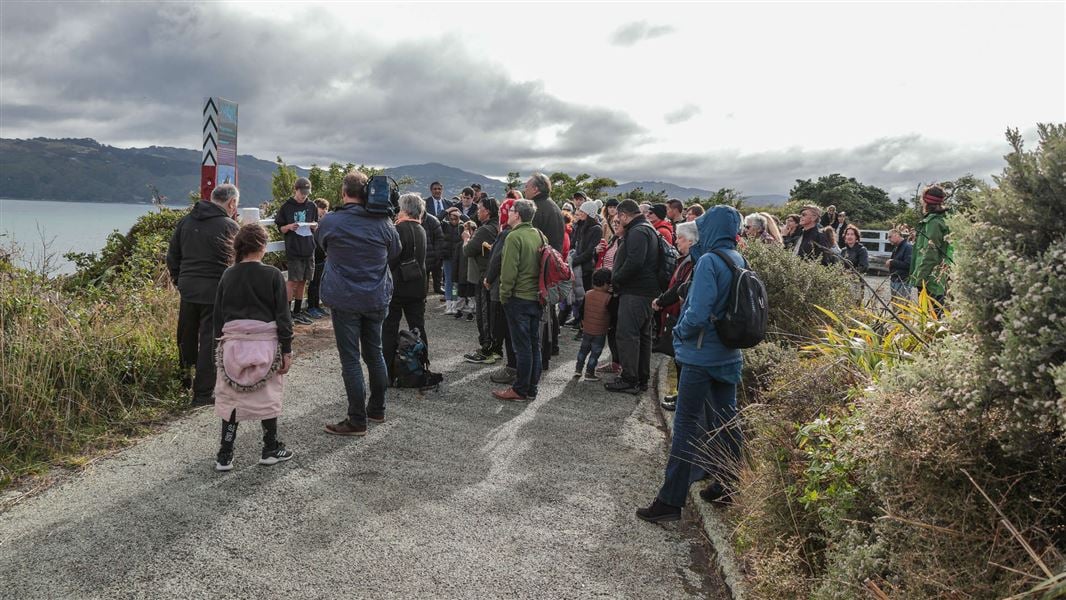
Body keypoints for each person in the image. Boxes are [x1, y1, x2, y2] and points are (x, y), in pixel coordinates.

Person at [637, 206, 745, 523]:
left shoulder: (710, 261)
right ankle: (726, 482)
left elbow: (696, 313)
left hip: (701, 355)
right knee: (728, 421)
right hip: (728, 353)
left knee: (685, 428)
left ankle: (670, 501)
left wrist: (680, 333)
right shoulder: (738, 258)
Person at [318, 170, 401, 437]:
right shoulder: (385, 223)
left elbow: (321, 244)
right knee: (374, 353)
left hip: (345, 299)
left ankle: (357, 420)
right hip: (376, 297)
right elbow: (395, 252)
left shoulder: (332, 221)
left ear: (343, 192)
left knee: (351, 359)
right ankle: (377, 409)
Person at [211, 223, 294, 471]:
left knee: (232, 399)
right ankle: (270, 447)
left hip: (233, 344)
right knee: (266, 395)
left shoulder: (228, 275)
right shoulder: (273, 275)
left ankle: (225, 454)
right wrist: (287, 349)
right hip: (265, 345)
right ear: (262, 246)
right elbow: (283, 316)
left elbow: (218, 316)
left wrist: (219, 346)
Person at [165, 183, 241, 407]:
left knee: (186, 335)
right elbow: (238, 263)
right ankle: (202, 393)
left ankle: (183, 381)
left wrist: (179, 280)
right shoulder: (229, 226)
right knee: (210, 341)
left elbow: (173, 255)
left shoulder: (186, 221)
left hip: (188, 287)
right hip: (215, 291)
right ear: (231, 203)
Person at [605, 199, 660, 395]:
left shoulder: (638, 231)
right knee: (642, 337)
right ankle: (640, 377)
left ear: (624, 215)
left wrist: (616, 279)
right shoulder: (647, 228)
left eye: (619, 217)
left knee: (628, 335)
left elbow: (634, 262)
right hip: (644, 292)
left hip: (636, 292)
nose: (618, 220)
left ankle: (630, 378)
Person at [493, 199, 543, 401]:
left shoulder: (514, 237)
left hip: (518, 298)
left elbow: (508, 272)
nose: (509, 212)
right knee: (533, 345)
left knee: (521, 347)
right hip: (536, 297)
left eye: (512, 210)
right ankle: (531, 388)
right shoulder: (540, 235)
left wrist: (504, 296)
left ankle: (520, 389)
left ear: (518, 215)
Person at [382, 193, 429, 383]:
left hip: (398, 287)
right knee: (418, 326)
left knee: (389, 328)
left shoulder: (398, 229)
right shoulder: (421, 229)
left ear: (405, 209)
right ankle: (421, 364)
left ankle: (386, 371)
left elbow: (390, 259)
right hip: (418, 285)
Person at [653, 221, 698, 411]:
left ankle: (682, 398)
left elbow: (680, 288)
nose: (677, 241)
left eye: (680, 238)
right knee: (679, 358)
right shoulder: (686, 259)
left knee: (682, 358)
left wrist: (660, 301)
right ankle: (680, 394)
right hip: (676, 311)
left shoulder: (693, 262)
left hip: (681, 312)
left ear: (691, 241)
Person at [274, 177, 320, 325]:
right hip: (294, 248)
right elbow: (280, 227)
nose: (304, 196)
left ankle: (298, 312)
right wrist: (288, 227)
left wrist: (313, 226)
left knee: (303, 281)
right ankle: (287, 314)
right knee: (292, 280)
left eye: (306, 193)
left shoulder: (311, 206)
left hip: (308, 246)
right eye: (302, 192)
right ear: (296, 190)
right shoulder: (287, 206)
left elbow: (315, 223)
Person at [463, 197, 501, 364]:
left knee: (484, 315)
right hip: (493, 275)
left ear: (488, 211)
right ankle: (494, 347)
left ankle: (487, 349)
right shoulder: (497, 227)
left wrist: (466, 238)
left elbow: (469, 250)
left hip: (484, 276)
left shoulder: (485, 230)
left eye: (480, 208)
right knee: (493, 315)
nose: (477, 211)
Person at [910, 185, 952, 310]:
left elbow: (930, 254)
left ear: (925, 201)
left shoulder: (933, 223)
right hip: (938, 279)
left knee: (930, 317)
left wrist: (919, 279)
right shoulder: (942, 220)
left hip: (931, 281)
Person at [574, 268, 612, 381]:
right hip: (600, 331)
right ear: (606, 283)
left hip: (587, 329)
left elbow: (581, 311)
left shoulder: (588, 294)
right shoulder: (608, 298)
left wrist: (582, 322)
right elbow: (612, 313)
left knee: (583, 350)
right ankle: (589, 373)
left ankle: (578, 369)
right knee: (595, 353)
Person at [306, 198, 330, 319]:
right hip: (313, 256)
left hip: (322, 256)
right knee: (313, 283)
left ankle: (317, 305)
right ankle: (311, 307)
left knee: (319, 283)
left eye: (326, 209)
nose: (324, 211)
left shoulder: (324, 223)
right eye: (322, 208)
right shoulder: (312, 222)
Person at [440, 208, 463, 314]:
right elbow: (437, 219)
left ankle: (454, 304)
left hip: (458, 258)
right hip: (447, 257)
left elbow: (471, 222)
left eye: (456, 218)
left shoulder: (462, 227)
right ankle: (448, 304)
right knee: (448, 280)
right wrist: (447, 210)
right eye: (451, 218)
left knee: (455, 282)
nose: (453, 220)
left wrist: (461, 215)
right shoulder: (445, 226)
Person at [421, 206, 444, 297]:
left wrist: (437, 253)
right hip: (425, 253)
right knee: (424, 276)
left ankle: (437, 287)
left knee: (437, 271)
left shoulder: (432, 220)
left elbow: (439, 238)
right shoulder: (416, 218)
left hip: (432, 252)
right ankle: (423, 294)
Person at [886, 228, 913, 300]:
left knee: (902, 307)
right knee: (895, 307)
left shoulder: (908, 247)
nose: (888, 239)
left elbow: (909, 265)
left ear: (897, 235)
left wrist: (892, 262)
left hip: (903, 281)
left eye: (890, 237)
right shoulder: (897, 247)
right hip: (895, 280)